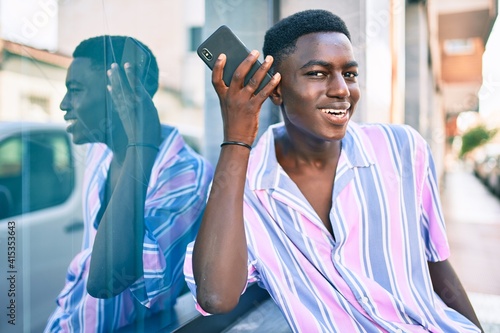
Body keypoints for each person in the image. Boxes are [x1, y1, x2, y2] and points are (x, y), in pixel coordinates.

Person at [183, 9, 483, 332]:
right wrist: (236, 140)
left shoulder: (403, 150)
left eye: (349, 74)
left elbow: (437, 267)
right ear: (276, 91)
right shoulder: (248, 185)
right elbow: (215, 297)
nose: (342, 90)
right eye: (317, 73)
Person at [45, 35, 213, 332]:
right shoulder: (99, 149)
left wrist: (140, 144)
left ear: (119, 93)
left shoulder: (186, 176)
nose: (64, 104)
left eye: (76, 90)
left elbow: (106, 280)